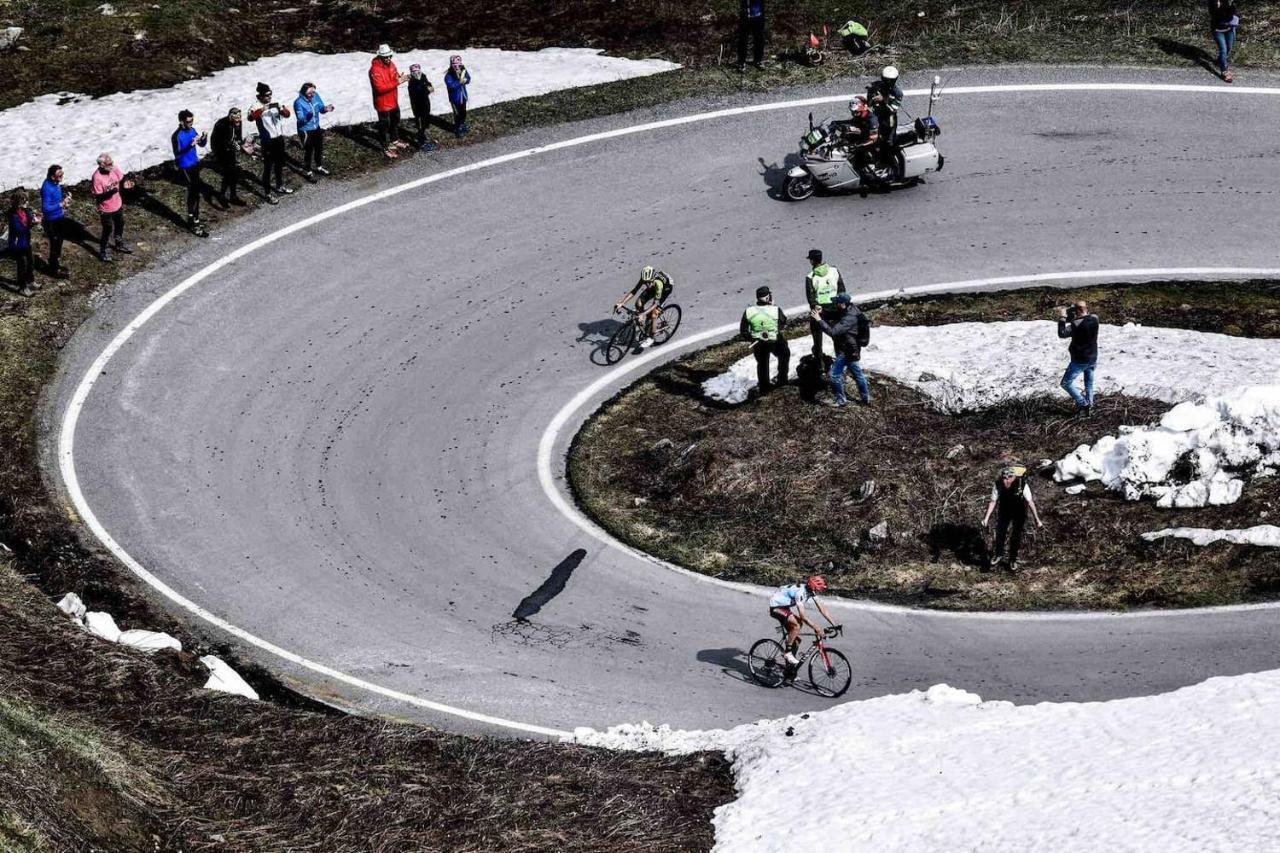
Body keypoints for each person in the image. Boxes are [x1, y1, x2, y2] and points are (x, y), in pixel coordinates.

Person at [768, 575, 839, 682]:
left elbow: (822, 609)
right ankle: (787, 653)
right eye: (818, 589)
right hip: (776, 607)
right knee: (797, 625)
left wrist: (835, 624)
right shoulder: (800, 593)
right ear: (813, 587)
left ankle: (789, 670)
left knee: (796, 640)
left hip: (784, 605)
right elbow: (802, 616)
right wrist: (816, 627)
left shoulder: (810, 591)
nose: (819, 591)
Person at [810, 293, 870, 407]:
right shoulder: (850, 309)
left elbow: (833, 331)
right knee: (857, 374)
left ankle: (841, 400)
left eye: (836, 303)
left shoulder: (849, 319)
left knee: (834, 375)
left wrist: (819, 320)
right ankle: (865, 398)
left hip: (847, 350)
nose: (834, 304)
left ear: (842, 304)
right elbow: (835, 314)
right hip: (852, 348)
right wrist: (822, 311)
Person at [981, 465, 1044, 572]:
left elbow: (1030, 502)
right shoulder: (998, 485)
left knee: (1016, 535)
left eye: (1010, 477)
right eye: (1005, 478)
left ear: (1014, 477)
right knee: (1000, 532)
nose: (1007, 480)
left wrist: (1037, 519)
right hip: (1004, 510)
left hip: (1019, 512)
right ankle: (998, 554)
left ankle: (1013, 559)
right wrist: (986, 518)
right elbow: (993, 502)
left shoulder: (1022, 485)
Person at [740, 285, 790, 394]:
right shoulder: (775, 309)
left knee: (762, 364)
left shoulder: (749, 311)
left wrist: (752, 339)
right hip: (774, 341)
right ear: (768, 297)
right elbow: (783, 322)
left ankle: (764, 388)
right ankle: (782, 379)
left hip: (758, 343)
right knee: (784, 354)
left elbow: (743, 331)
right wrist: (772, 307)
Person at [249, 82, 293, 202]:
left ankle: (280, 186)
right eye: (267, 95)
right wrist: (263, 109)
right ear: (261, 96)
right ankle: (268, 194)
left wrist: (282, 110)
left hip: (279, 138)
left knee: (279, 164)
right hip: (267, 141)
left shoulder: (275, 102)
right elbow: (250, 117)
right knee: (268, 167)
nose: (270, 97)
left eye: (270, 94)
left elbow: (287, 115)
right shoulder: (255, 105)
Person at [613, 265, 673, 346]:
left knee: (653, 314)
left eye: (649, 282)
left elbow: (655, 304)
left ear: (653, 278)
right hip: (654, 286)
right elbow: (634, 291)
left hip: (665, 289)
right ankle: (644, 324)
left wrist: (642, 314)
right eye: (645, 282)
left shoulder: (658, 284)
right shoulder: (645, 279)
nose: (647, 285)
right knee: (638, 303)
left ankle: (651, 337)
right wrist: (622, 303)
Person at [1057, 299, 1099, 413]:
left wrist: (1062, 317)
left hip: (1080, 359)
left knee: (1066, 383)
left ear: (1077, 311)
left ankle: (1083, 403)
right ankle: (1090, 407)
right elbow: (1083, 318)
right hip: (1093, 357)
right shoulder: (1095, 319)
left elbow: (1062, 333)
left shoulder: (1075, 325)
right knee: (1089, 383)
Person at [90, 152, 133, 262]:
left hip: (117, 205)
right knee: (107, 229)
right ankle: (103, 251)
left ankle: (119, 243)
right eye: (109, 164)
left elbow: (122, 177)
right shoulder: (97, 178)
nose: (111, 165)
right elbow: (98, 197)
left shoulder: (113, 169)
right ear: (102, 165)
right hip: (106, 209)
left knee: (120, 223)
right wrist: (112, 192)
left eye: (111, 162)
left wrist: (125, 183)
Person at [804, 248, 846, 361]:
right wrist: (841, 303)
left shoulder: (810, 276)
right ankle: (840, 363)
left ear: (812, 261)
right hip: (836, 308)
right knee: (837, 337)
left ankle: (819, 364)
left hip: (821, 311)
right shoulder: (834, 270)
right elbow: (841, 288)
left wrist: (815, 306)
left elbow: (811, 297)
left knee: (817, 339)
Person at [170, 110, 208, 232]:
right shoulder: (176, 136)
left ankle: (195, 219)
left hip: (194, 164)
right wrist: (190, 146)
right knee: (193, 193)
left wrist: (204, 138)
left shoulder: (192, 130)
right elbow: (177, 154)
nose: (191, 123)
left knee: (196, 193)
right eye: (188, 121)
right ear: (181, 121)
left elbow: (201, 145)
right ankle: (191, 221)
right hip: (185, 167)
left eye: (192, 120)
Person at [369, 44, 409, 158]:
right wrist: (398, 82)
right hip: (382, 103)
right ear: (380, 56)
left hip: (393, 100)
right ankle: (385, 147)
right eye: (385, 57)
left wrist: (400, 77)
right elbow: (380, 88)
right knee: (384, 126)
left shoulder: (391, 64)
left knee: (395, 121)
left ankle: (395, 140)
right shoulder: (374, 70)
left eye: (389, 56)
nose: (388, 59)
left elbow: (395, 76)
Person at [294, 82, 334, 179]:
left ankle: (319, 167)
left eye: (313, 92)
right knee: (309, 151)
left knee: (319, 148)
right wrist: (307, 117)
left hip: (316, 127)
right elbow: (300, 119)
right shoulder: (298, 102)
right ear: (304, 93)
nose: (312, 95)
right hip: (305, 130)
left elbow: (321, 108)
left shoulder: (316, 96)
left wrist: (326, 109)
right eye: (309, 93)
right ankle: (308, 171)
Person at [211, 107, 249, 206]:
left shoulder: (238, 122)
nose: (238, 121)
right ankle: (222, 195)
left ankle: (232, 196)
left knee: (233, 173)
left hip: (230, 150)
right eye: (236, 119)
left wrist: (240, 143)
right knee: (229, 172)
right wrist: (231, 145)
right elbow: (220, 141)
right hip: (220, 150)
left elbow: (238, 136)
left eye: (239, 118)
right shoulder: (222, 124)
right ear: (231, 117)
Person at [832, 96, 879, 175]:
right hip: (863, 138)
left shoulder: (872, 120)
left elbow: (873, 139)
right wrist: (837, 123)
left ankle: (864, 172)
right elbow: (851, 122)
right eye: (852, 112)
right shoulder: (859, 116)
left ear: (863, 108)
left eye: (856, 112)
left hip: (872, 144)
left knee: (859, 162)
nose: (854, 114)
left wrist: (856, 146)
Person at [40, 164, 71, 278]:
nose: (62, 176)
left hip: (59, 217)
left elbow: (57, 196)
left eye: (62, 174)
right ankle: (53, 270)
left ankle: (55, 264)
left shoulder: (55, 183)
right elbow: (46, 208)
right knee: (55, 244)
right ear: (52, 177)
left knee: (59, 242)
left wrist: (64, 196)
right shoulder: (47, 188)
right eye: (59, 175)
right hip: (51, 221)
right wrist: (61, 204)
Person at [6, 189, 39, 295]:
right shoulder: (13, 215)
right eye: (24, 201)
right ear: (18, 202)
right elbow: (19, 229)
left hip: (26, 241)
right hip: (17, 244)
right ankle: (22, 287)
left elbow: (29, 218)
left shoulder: (26, 211)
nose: (27, 203)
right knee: (22, 265)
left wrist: (34, 219)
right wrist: (32, 224)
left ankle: (30, 281)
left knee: (30, 261)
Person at [866, 65, 904, 150]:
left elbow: (892, 109)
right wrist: (870, 88)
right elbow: (872, 85)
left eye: (889, 80)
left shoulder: (897, 93)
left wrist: (883, 100)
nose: (886, 82)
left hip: (888, 118)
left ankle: (888, 158)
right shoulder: (879, 85)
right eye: (885, 79)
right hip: (877, 114)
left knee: (889, 141)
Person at [407, 63, 437, 151]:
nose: (417, 73)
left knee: (425, 122)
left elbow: (427, 83)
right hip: (418, 107)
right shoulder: (412, 82)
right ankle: (421, 143)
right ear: (411, 72)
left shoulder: (423, 77)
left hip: (425, 104)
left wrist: (429, 86)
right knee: (420, 124)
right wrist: (426, 89)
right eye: (414, 71)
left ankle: (422, 136)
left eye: (418, 71)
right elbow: (417, 93)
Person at [1209, 1, 1239, 83]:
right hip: (1218, 30)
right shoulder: (1214, 2)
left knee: (1229, 47)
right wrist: (1217, 6)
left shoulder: (1230, 1)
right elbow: (1213, 14)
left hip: (1230, 28)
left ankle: (1220, 61)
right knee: (1223, 49)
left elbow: (1235, 12)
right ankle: (1224, 71)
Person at [444, 55, 471, 138]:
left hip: (463, 97)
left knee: (463, 113)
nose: (456, 66)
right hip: (455, 99)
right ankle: (457, 128)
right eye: (454, 64)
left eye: (458, 64)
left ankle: (462, 124)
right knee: (457, 114)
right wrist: (459, 82)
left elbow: (468, 78)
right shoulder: (449, 75)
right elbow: (451, 85)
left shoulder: (463, 71)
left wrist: (466, 80)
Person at [736, 0, 765, 72]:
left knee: (759, 38)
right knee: (743, 40)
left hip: (758, 15)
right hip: (746, 17)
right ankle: (741, 62)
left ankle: (758, 60)